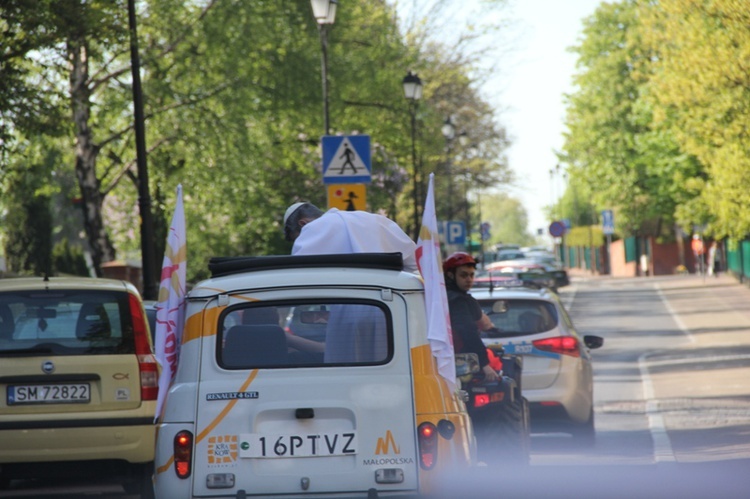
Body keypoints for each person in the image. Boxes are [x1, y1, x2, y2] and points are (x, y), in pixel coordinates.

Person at [283, 202, 418, 272]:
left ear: (303, 224)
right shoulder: (376, 220)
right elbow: (416, 264)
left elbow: (298, 277)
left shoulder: (311, 230)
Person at [443, 252, 500, 382]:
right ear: (451, 275)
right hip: (462, 361)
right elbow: (468, 333)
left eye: (471, 275)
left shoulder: (446, 295)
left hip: (448, 360)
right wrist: (484, 364)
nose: (468, 279)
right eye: (463, 275)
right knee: (500, 368)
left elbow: (482, 321)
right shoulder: (458, 301)